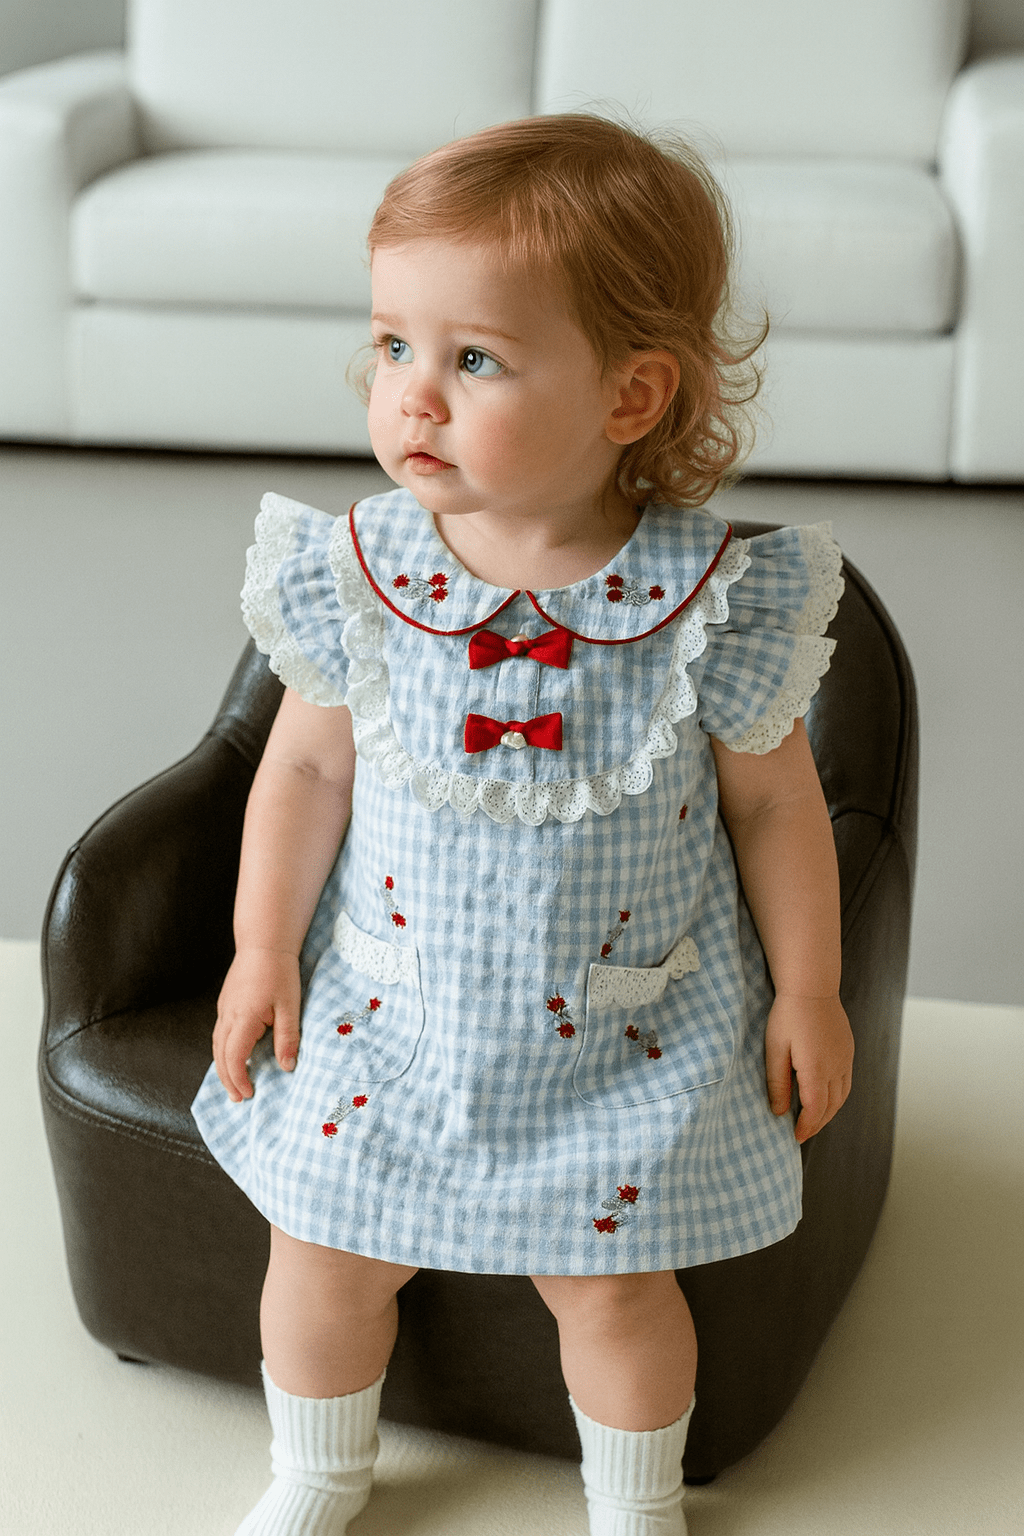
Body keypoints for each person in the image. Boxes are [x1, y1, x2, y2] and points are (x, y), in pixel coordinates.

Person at [192, 112, 854, 1536]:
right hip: (392, 1018)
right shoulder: (358, 573)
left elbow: (773, 803)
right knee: (317, 1253)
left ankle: (637, 1501)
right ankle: (319, 1468)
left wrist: (810, 988)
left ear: (631, 398)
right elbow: (303, 778)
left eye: (474, 359)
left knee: (615, 1291)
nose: (412, 399)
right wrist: (262, 950)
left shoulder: (708, 604)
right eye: (391, 348)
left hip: (620, 1041)